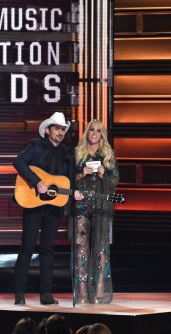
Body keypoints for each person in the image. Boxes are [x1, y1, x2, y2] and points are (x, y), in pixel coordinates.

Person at [13, 112, 78, 305]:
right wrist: (36, 181)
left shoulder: (67, 153)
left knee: (48, 249)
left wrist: (75, 191)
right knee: (27, 247)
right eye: (56, 128)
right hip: (33, 203)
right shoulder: (36, 145)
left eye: (62, 129)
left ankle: (46, 295)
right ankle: (19, 295)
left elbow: (68, 180)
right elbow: (19, 162)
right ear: (48, 130)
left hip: (53, 207)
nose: (60, 132)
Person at [70, 119, 119, 305]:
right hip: (81, 205)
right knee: (81, 248)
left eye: (98, 131)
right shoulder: (77, 153)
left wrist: (102, 174)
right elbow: (67, 179)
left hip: (101, 206)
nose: (94, 133)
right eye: (91, 130)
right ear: (87, 132)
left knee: (101, 248)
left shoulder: (108, 155)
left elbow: (115, 181)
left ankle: (99, 288)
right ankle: (82, 290)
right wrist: (82, 174)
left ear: (101, 135)